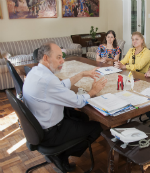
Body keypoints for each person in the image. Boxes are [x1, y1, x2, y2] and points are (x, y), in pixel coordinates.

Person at [23, 42, 107, 172]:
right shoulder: (48, 80)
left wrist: (81, 74)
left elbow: (60, 87)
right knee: (97, 127)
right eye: (58, 57)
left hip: (39, 128)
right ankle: (61, 155)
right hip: (51, 134)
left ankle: (62, 151)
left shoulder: (35, 72)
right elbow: (78, 102)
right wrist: (93, 91)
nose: (62, 60)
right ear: (46, 58)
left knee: (82, 116)